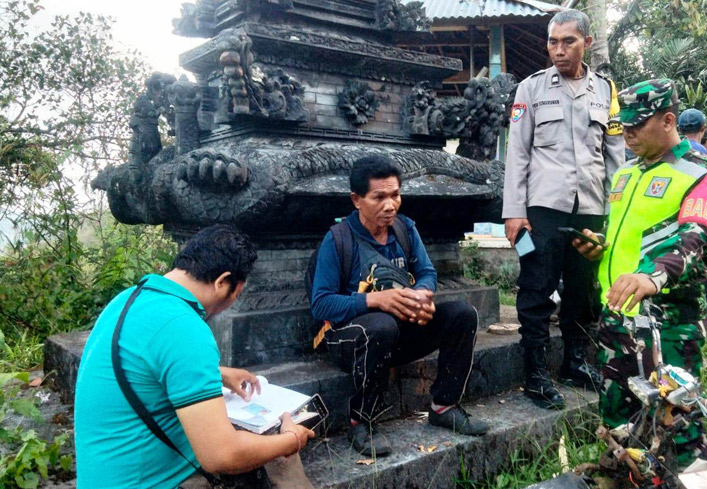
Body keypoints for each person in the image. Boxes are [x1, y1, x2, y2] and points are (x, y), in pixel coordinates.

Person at [75, 225, 316, 489]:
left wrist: (218, 374)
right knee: (273, 445)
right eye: (236, 293)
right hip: (150, 482)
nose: (232, 302)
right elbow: (222, 456)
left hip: (105, 475)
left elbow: (144, 365)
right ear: (222, 281)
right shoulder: (185, 327)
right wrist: (292, 439)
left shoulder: (130, 298)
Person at [572, 78, 707, 469]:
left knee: (678, 426)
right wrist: (600, 246)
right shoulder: (625, 173)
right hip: (617, 317)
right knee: (618, 421)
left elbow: (695, 239)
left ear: (668, 120)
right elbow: (629, 235)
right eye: (621, 127)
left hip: (668, 324)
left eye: (636, 126)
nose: (626, 135)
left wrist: (654, 276)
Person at [310, 155, 488, 457]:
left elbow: (428, 273)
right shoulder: (338, 239)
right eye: (379, 197)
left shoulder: (405, 229)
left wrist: (421, 295)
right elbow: (321, 304)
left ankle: (444, 405)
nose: (390, 205)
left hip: (397, 334)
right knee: (381, 325)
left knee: (462, 314)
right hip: (351, 342)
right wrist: (374, 299)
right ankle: (361, 422)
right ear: (357, 200)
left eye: (395, 195)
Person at [503, 9, 625, 409]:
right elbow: (517, 154)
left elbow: (616, 159)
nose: (558, 50)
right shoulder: (531, 89)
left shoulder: (606, 92)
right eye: (553, 42)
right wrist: (513, 213)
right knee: (536, 288)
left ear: (587, 43)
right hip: (543, 209)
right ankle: (535, 375)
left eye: (568, 41)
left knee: (584, 290)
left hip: (589, 208)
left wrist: (615, 216)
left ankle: (575, 362)